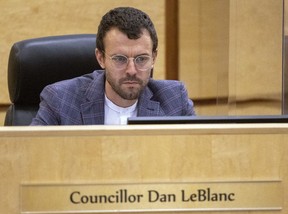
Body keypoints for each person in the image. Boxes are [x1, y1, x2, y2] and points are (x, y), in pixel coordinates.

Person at [30, 7, 195, 125]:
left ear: (153, 58)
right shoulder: (60, 100)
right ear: (101, 58)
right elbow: (30, 158)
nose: (131, 70)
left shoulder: (174, 100)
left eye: (141, 59)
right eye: (120, 59)